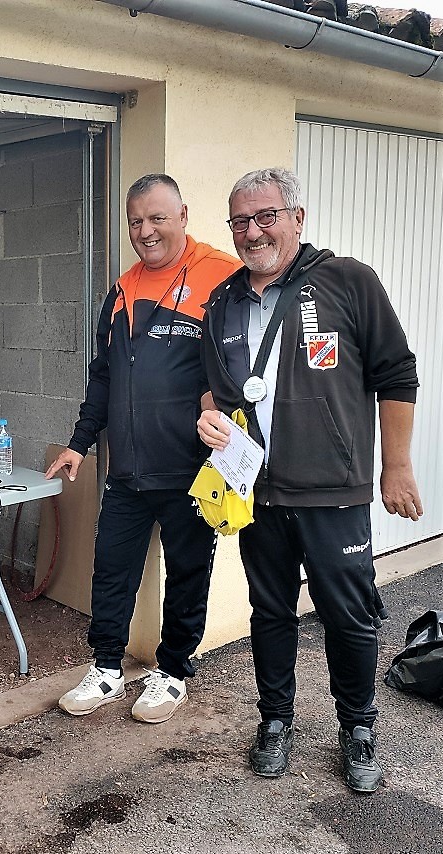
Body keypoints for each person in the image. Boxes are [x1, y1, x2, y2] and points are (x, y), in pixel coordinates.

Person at [197, 167, 421, 792]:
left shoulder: (349, 281)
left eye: (266, 216)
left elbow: (396, 375)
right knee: (269, 613)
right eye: (240, 221)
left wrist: (395, 467)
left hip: (334, 490)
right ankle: (275, 721)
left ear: (297, 217)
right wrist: (208, 420)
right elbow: (213, 391)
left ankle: (359, 727)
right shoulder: (223, 300)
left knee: (349, 616)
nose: (252, 231)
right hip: (257, 492)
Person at [45, 174, 242, 724]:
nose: (146, 230)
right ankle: (106, 667)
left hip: (192, 470)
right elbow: (103, 378)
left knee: (187, 573)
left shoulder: (222, 278)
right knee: (111, 570)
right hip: (127, 471)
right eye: (136, 221)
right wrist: (80, 443)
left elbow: (243, 369)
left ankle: (174, 671)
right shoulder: (123, 289)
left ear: (183, 214)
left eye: (157, 218)